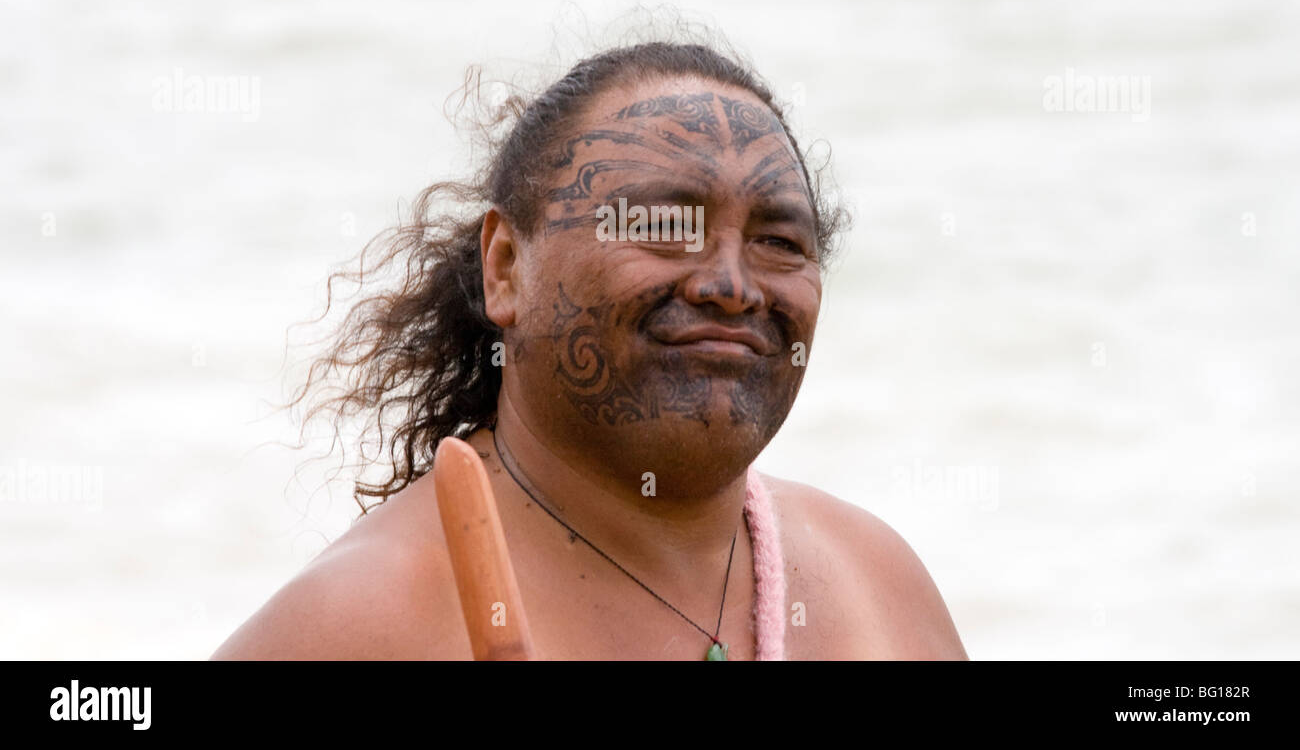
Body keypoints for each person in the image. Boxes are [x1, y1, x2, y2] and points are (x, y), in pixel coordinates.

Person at [211, 38, 968, 660]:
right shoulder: (356, 628)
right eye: (664, 228)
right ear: (505, 265)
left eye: (778, 242)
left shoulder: (877, 588)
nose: (733, 285)